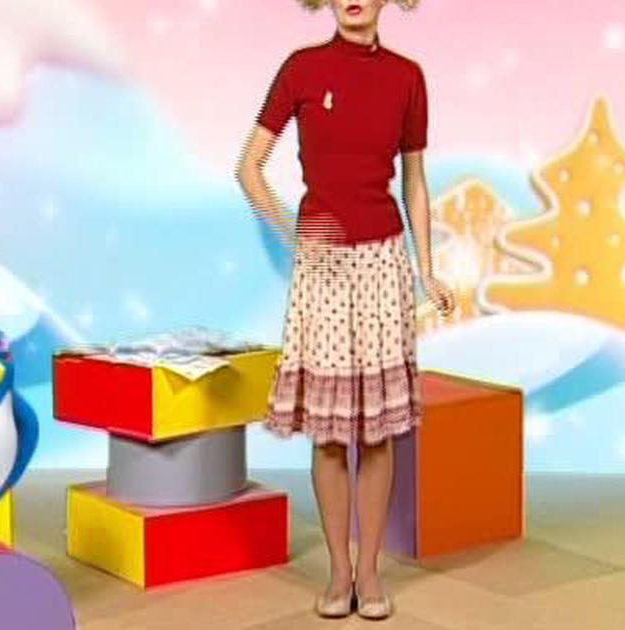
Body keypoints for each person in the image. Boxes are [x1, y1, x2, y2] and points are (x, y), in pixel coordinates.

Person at [235, 0, 453, 621]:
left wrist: (426, 269)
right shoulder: (301, 69)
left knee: (377, 429)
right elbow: (248, 168)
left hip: (384, 262)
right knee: (331, 431)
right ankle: (338, 572)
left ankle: (371, 572)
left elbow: (414, 181)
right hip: (324, 269)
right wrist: (293, 234)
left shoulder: (407, 77)